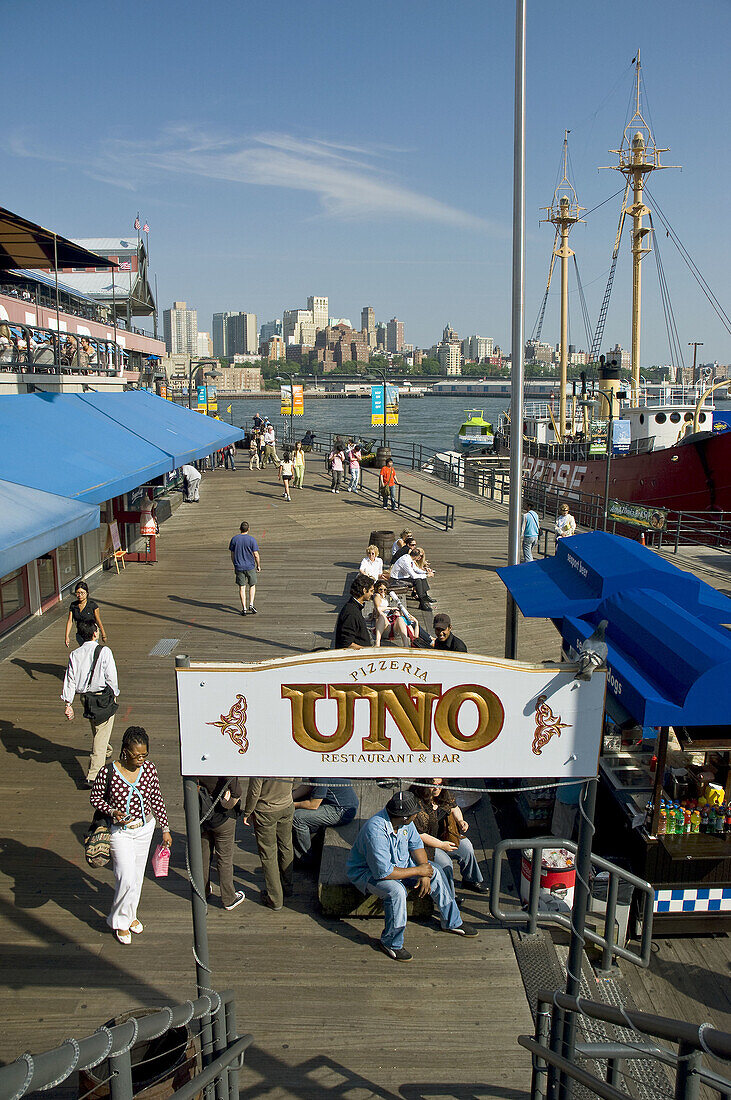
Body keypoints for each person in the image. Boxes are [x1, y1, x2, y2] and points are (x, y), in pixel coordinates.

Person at [346, 790, 477, 961]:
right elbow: (384, 872)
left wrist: (424, 870)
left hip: (400, 862)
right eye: (415, 813)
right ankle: (391, 942)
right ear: (405, 817)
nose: (417, 814)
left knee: (434, 872)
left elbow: (416, 846)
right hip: (369, 873)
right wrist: (419, 871)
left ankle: (452, 921)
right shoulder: (375, 832)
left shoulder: (405, 822)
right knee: (397, 891)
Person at [90, 727, 171, 944]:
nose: (141, 760)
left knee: (136, 877)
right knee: (124, 877)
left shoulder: (149, 769)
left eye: (145, 755)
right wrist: (113, 812)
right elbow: (95, 798)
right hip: (120, 832)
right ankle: (118, 922)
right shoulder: (108, 772)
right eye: (137, 755)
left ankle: (131, 915)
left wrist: (165, 828)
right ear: (125, 751)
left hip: (145, 829)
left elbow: (157, 799)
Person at [62, 620, 120, 785]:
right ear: (95, 633)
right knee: (100, 733)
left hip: (85, 698)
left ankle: (106, 749)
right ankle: (94, 775)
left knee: (97, 727)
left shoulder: (74, 654)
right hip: (102, 697)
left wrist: (68, 703)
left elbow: (70, 680)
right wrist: (115, 693)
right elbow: (111, 676)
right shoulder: (104, 651)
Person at [409, 779, 487, 894]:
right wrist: (441, 845)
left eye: (439, 785)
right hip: (425, 845)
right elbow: (419, 835)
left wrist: (460, 821)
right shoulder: (417, 802)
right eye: (432, 785)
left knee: (467, 847)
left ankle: (470, 880)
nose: (437, 788)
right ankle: (449, 893)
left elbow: (454, 807)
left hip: (443, 836)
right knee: (446, 863)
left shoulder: (444, 794)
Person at [242, 778, 295, 911]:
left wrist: (248, 812)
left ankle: (275, 899)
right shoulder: (290, 758)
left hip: (266, 810)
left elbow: (254, 792)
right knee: (286, 846)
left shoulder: (260, 763)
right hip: (287, 804)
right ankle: (287, 887)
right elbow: (297, 779)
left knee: (268, 854)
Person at [199, 776, 245, 911]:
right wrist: (230, 804)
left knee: (203, 856)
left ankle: (203, 891)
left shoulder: (195, 763)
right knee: (224, 858)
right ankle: (229, 898)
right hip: (223, 817)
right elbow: (237, 791)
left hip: (201, 813)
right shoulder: (222, 763)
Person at [292, 779, 359, 863]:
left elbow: (313, 805)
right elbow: (310, 785)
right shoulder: (321, 769)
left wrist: (290, 804)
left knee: (297, 818)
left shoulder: (321, 777)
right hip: (345, 803)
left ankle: (305, 859)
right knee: (299, 800)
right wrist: (291, 797)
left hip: (342, 811)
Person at [333, 573, 375, 649]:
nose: (372, 594)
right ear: (364, 590)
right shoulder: (351, 613)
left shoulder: (354, 608)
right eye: (371, 591)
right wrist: (368, 651)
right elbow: (346, 643)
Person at [229, 521, 261, 616]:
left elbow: (232, 554)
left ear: (240, 529)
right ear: (248, 529)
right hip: (250, 566)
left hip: (239, 566)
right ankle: (251, 604)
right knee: (252, 585)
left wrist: (234, 564)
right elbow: (256, 554)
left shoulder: (234, 539)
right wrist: (258, 565)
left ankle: (244, 608)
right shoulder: (252, 540)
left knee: (241, 587)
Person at [65, 581, 107, 648]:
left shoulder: (92, 605)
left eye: (82, 593)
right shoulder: (73, 605)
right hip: (80, 635)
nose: (80, 595)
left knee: (92, 652)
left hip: (92, 635)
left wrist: (103, 634)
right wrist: (67, 636)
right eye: (78, 593)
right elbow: (70, 621)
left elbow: (98, 620)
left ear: (87, 593)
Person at [372, 580, 410, 647]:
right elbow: (378, 609)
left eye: (384, 589)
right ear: (377, 588)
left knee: (400, 619)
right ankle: (377, 643)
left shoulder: (383, 595)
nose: (383, 591)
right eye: (380, 589)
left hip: (390, 624)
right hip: (383, 627)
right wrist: (390, 608)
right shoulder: (376, 596)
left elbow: (375, 610)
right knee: (382, 616)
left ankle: (406, 645)